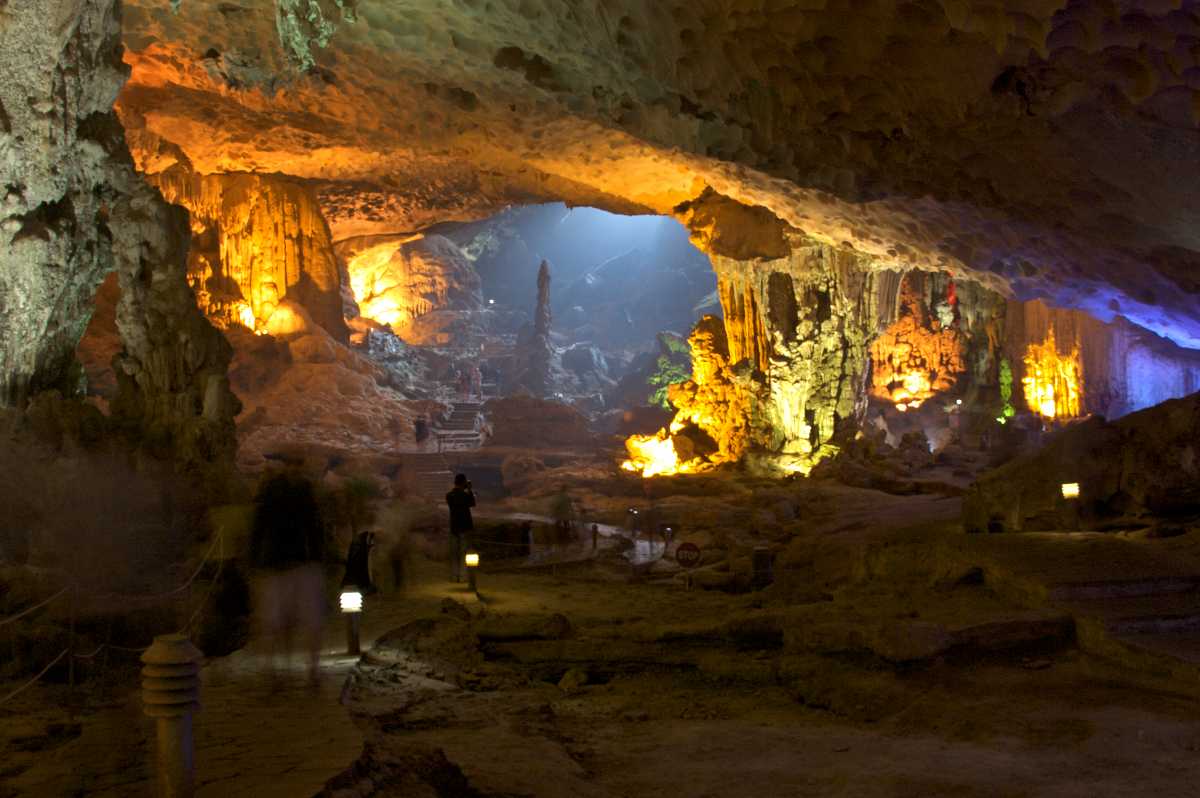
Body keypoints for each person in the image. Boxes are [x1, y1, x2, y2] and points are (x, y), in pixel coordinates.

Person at [250, 470, 326, 685]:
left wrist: (255, 560)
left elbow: (258, 530)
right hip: (301, 562)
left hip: (277, 564)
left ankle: (276, 669)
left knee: (274, 619)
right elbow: (316, 529)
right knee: (309, 618)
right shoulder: (306, 496)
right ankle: (311, 668)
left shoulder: (269, 500)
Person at [445, 474, 476, 582]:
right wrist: (470, 490)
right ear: (463, 483)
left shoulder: (449, 495)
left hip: (454, 527)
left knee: (454, 553)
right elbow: (472, 503)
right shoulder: (465, 495)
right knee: (464, 553)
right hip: (465, 527)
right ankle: (463, 577)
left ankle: (454, 576)